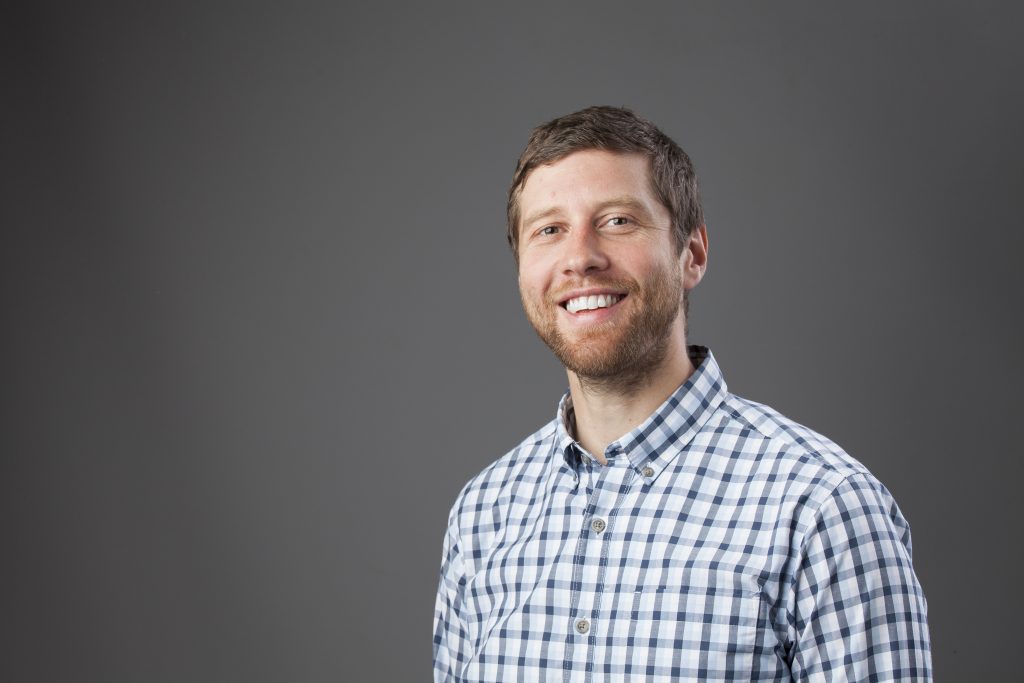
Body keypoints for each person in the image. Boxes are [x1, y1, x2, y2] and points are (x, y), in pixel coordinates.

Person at [433, 106, 931, 681]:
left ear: (691, 254)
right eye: (549, 230)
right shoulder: (482, 515)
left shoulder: (821, 510)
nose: (580, 257)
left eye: (618, 221)